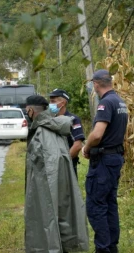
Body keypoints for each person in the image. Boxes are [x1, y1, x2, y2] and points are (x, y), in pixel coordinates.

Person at [25, 95, 89, 253]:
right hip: (63, 183)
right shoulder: (57, 127)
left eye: (27, 110)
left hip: (47, 184)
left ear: (31, 111)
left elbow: (42, 168)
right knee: (63, 215)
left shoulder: (40, 132)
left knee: (46, 217)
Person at [82, 69, 128, 253]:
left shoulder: (105, 103)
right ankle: (111, 246)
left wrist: (87, 147)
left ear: (96, 84)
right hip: (115, 158)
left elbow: (98, 133)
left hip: (103, 161)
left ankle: (103, 248)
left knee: (96, 206)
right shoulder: (119, 101)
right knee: (109, 204)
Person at [49, 89, 85, 178]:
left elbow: (77, 145)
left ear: (63, 102)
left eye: (53, 101)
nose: (50, 104)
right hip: (52, 166)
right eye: (50, 101)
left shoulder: (73, 119)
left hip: (68, 166)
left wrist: (64, 162)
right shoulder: (50, 120)